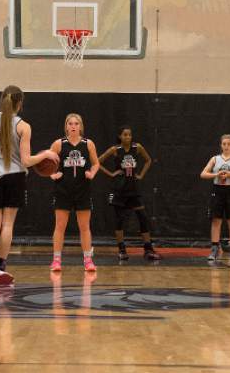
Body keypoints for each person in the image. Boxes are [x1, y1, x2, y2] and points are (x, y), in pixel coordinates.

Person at [0, 85, 58, 285]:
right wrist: (45, 154)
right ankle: (1, 266)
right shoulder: (23, 126)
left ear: (2, 100)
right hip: (15, 176)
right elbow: (26, 161)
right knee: (8, 224)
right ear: (20, 103)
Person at [98, 126, 161, 261]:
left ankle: (148, 249)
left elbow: (148, 160)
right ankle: (121, 250)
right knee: (120, 220)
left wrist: (141, 175)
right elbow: (97, 162)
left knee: (143, 217)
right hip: (119, 189)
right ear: (120, 136)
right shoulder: (115, 150)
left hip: (133, 188)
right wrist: (111, 174)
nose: (128, 137)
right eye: (125, 135)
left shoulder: (137, 147)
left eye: (129, 135)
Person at [48, 114, 100, 273]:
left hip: (82, 190)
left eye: (76, 123)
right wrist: (52, 174)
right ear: (66, 126)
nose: (73, 126)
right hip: (63, 189)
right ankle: (56, 260)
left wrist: (92, 172)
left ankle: (88, 260)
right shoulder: (59, 144)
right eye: (70, 123)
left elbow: (96, 163)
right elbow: (46, 163)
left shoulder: (88, 144)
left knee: (84, 227)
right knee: (60, 226)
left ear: (80, 126)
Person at [200, 134, 230, 262]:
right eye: (224, 144)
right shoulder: (215, 159)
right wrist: (216, 174)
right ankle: (215, 249)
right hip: (218, 190)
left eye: (228, 144)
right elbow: (203, 174)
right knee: (216, 221)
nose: (226, 146)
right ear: (221, 145)